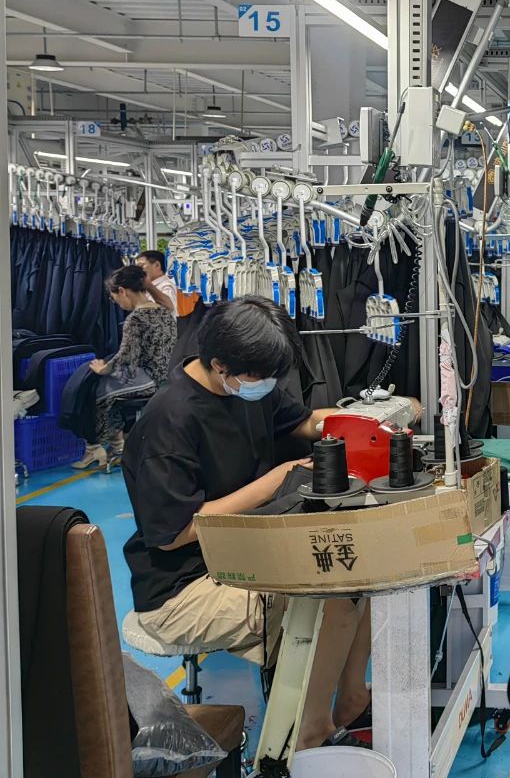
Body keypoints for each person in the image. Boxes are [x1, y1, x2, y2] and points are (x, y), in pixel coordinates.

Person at [121, 297, 415, 750]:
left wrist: (374, 420)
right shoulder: (169, 421)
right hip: (182, 588)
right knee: (329, 606)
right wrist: (275, 480)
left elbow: (305, 422)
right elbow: (175, 533)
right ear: (220, 365)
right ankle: (308, 736)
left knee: (364, 575)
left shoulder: (245, 383)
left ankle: (352, 700)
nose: (268, 385)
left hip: (243, 553)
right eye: (262, 377)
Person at [72, 265, 177, 470]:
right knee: (106, 387)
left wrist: (104, 369)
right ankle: (114, 446)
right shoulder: (164, 311)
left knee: (97, 391)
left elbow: (126, 356)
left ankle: (101, 448)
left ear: (122, 291)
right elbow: (168, 303)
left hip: (149, 379)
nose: (117, 304)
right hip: (165, 375)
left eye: (115, 298)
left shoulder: (135, 319)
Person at [137, 249, 177, 315]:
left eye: (141, 266)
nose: (138, 270)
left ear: (157, 265)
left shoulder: (166, 286)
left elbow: (167, 308)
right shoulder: (148, 286)